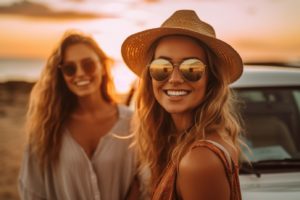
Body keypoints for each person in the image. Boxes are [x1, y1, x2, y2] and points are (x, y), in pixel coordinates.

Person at [121, 10, 244, 200]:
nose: (175, 79)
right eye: (162, 67)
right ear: (150, 77)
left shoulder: (199, 160)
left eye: (191, 68)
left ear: (211, 78)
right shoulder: (182, 142)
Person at [19, 30, 137, 200]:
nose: (80, 73)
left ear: (103, 67)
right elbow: (32, 190)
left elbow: (142, 183)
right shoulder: (46, 127)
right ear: (61, 75)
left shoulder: (132, 123)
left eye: (88, 64)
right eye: (69, 68)